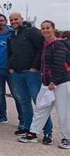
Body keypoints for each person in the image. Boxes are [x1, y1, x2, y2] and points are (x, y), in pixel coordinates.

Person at [19, 20, 70, 149]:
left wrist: (54, 81)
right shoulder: (46, 44)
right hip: (47, 83)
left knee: (64, 112)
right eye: (43, 28)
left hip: (60, 83)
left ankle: (67, 138)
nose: (45, 30)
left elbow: (60, 64)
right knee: (41, 108)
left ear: (53, 29)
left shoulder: (58, 44)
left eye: (48, 28)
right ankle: (33, 133)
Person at [8, 12, 53, 140]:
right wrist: (10, 67)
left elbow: (41, 49)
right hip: (17, 73)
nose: (13, 22)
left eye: (16, 19)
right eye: (11, 20)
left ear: (22, 19)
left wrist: (34, 67)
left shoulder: (31, 31)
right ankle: (27, 127)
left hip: (31, 73)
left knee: (39, 103)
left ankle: (47, 131)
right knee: (24, 101)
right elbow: (10, 53)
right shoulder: (12, 36)